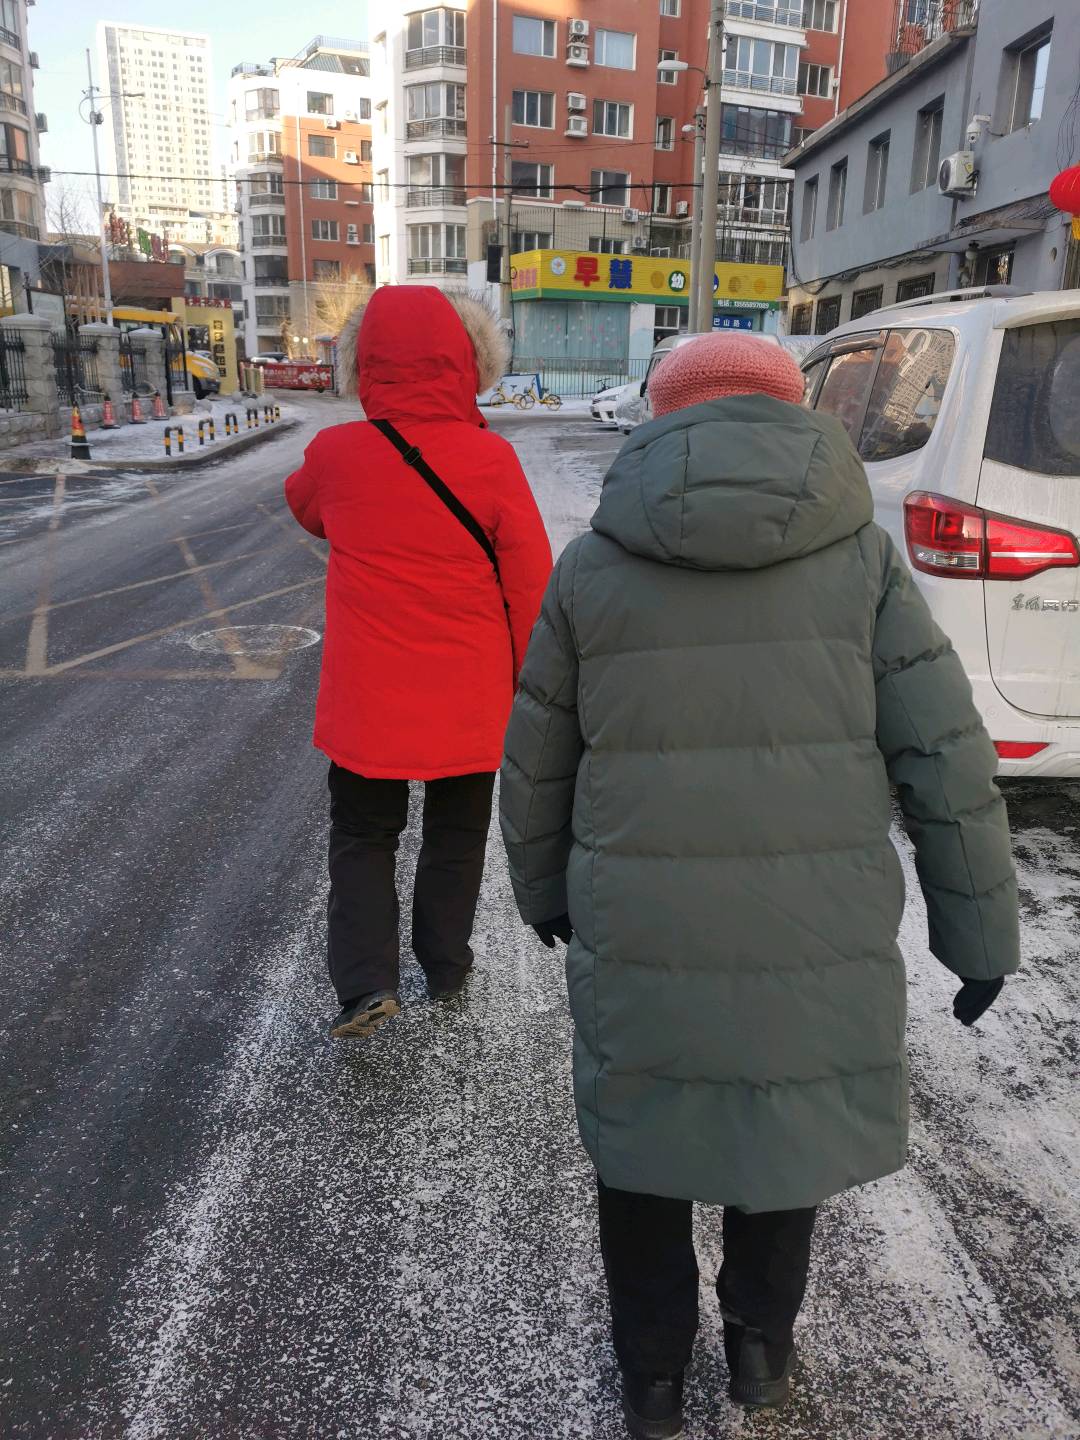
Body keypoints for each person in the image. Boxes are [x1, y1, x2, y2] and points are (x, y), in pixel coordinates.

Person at [499, 334, 1018, 1438]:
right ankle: (759, 1352)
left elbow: (539, 752)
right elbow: (942, 751)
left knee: (643, 1142)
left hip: (644, 921)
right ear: (793, 415)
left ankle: (650, 1379)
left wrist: (543, 889)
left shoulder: (593, 565)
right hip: (810, 923)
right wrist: (978, 931)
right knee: (779, 1130)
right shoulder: (861, 558)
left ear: (661, 418)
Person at [287, 287, 552, 1039]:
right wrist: (536, 688)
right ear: (469, 363)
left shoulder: (335, 454)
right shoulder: (491, 459)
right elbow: (530, 584)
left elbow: (304, 507)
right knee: (455, 839)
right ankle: (445, 965)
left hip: (368, 700)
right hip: (469, 699)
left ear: (363, 364)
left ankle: (366, 984)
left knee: (363, 836)